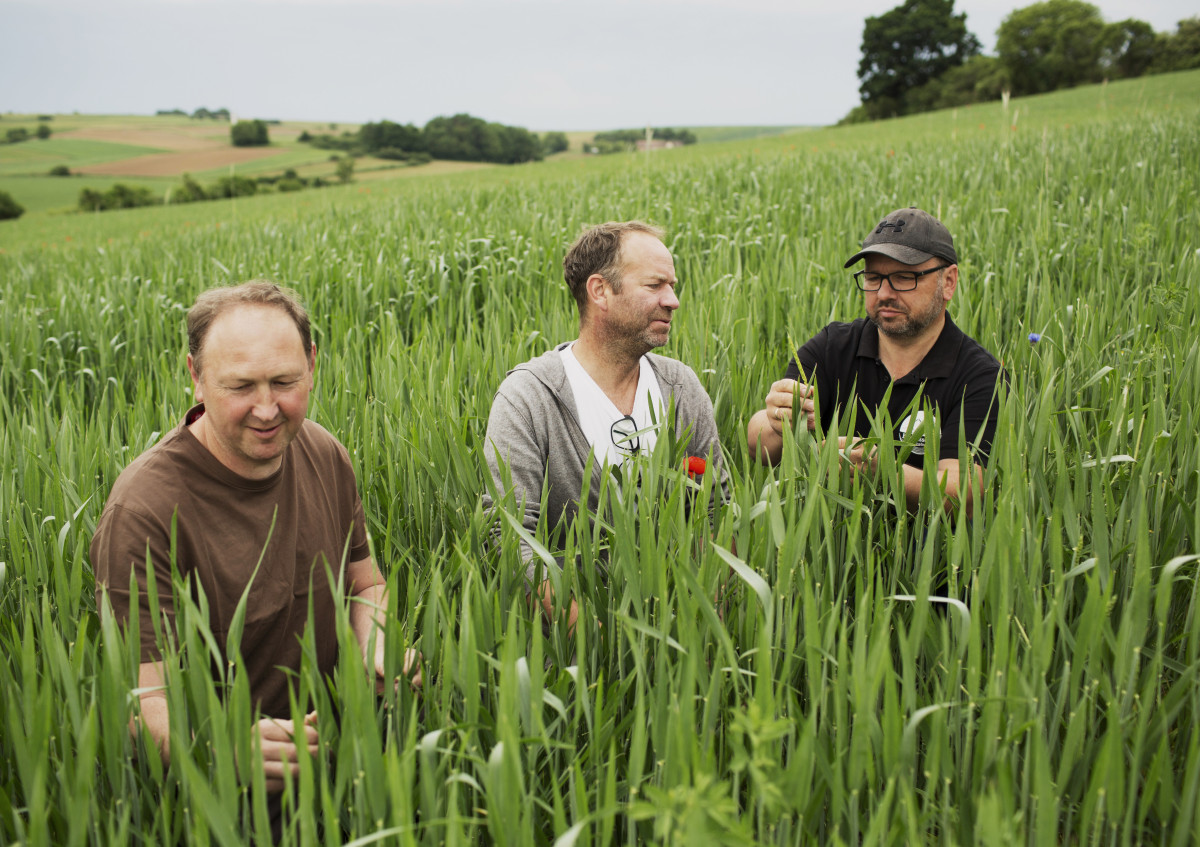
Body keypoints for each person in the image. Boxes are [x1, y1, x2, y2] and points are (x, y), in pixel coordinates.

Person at [91, 280, 418, 794]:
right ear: (196, 376)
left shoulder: (325, 453)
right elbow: (140, 698)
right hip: (221, 803)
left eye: (284, 382)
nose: (267, 410)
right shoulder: (144, 510)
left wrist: (374, 638)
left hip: (351, 769)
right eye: (241, 387)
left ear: (312, 362)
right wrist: (217, 747)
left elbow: (364, 583)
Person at [482, 221, 728, 628]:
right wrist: (596, 638)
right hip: (571, 662)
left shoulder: (680, 387)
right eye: (655, 286)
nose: (673, 300)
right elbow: (509, 536)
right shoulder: (528, 398)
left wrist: (704, 620)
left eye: (673, 285)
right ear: (600, 291)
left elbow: (716, 511)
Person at [747, 207, 1002, 515]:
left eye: (903, 278)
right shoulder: (832, 347)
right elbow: (760, 448)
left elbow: (963, 494)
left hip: (933, 557)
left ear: (948, 282)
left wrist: (884, 471)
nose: (883, 293)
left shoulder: (979, 376)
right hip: (828, 547)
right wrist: (776, 420)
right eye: (873, 277)